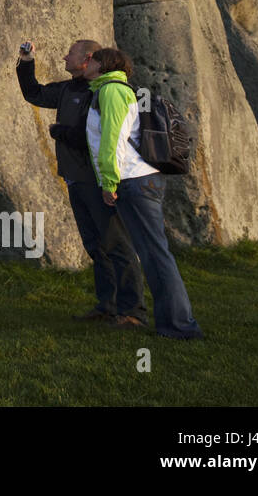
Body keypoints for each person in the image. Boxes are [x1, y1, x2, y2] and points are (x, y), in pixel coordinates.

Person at [17, 40, 147, 327]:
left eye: (70, 53)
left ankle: (133, 312)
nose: (65, 56)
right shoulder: (69, 88)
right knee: (95, 245)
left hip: (98, 179)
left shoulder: (101, 92)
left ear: (88, 58)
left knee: (117, 244)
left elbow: (99, 137)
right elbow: (34, 93)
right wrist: (27, 62)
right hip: (75, 177)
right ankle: (108, 305)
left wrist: (60, 132)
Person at [84, 47, 204, 340]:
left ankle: (180, 326)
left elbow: (113, 140)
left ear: (103, 65)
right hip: (138, 180)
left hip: (132, 181)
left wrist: (108, 183)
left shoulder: (112, 91)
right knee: (153, 253)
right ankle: (173, 323)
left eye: (92, 60)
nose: (87, 64)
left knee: (155, 255)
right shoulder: (110, 89)